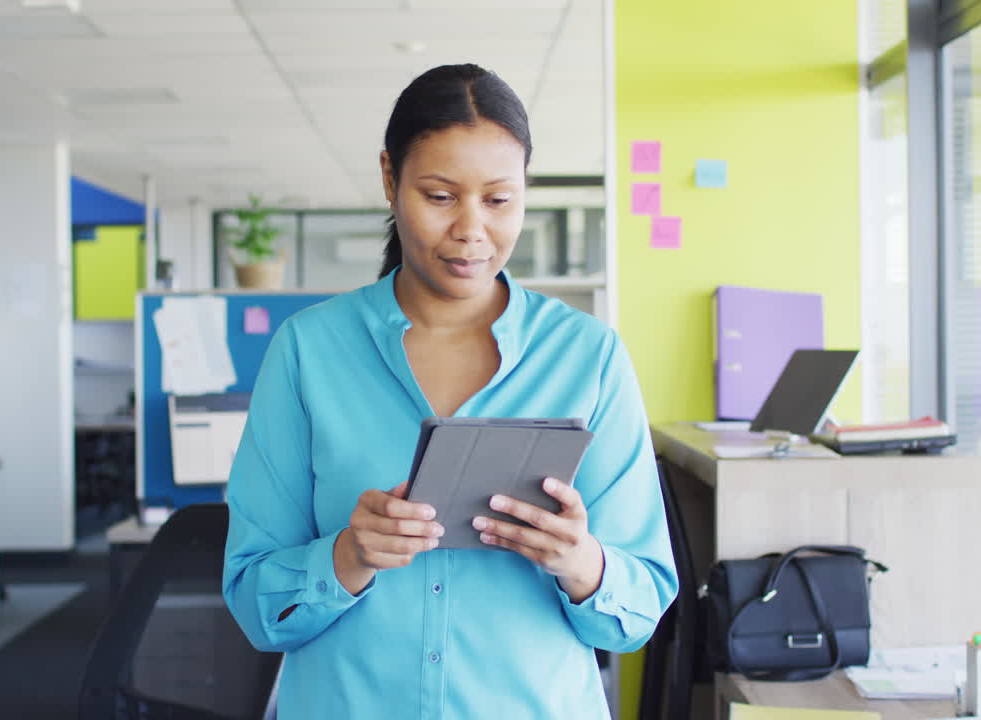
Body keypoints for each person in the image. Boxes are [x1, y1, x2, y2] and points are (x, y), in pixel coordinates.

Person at [223, 63, 677, 720]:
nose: (471, 230)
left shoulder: (588, 357)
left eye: (498, 200)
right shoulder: (309, 352)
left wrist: (579, 560)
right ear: (390, 179)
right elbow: (255, 604)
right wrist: (350, 555)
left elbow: (637, 613)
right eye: (440, 197)